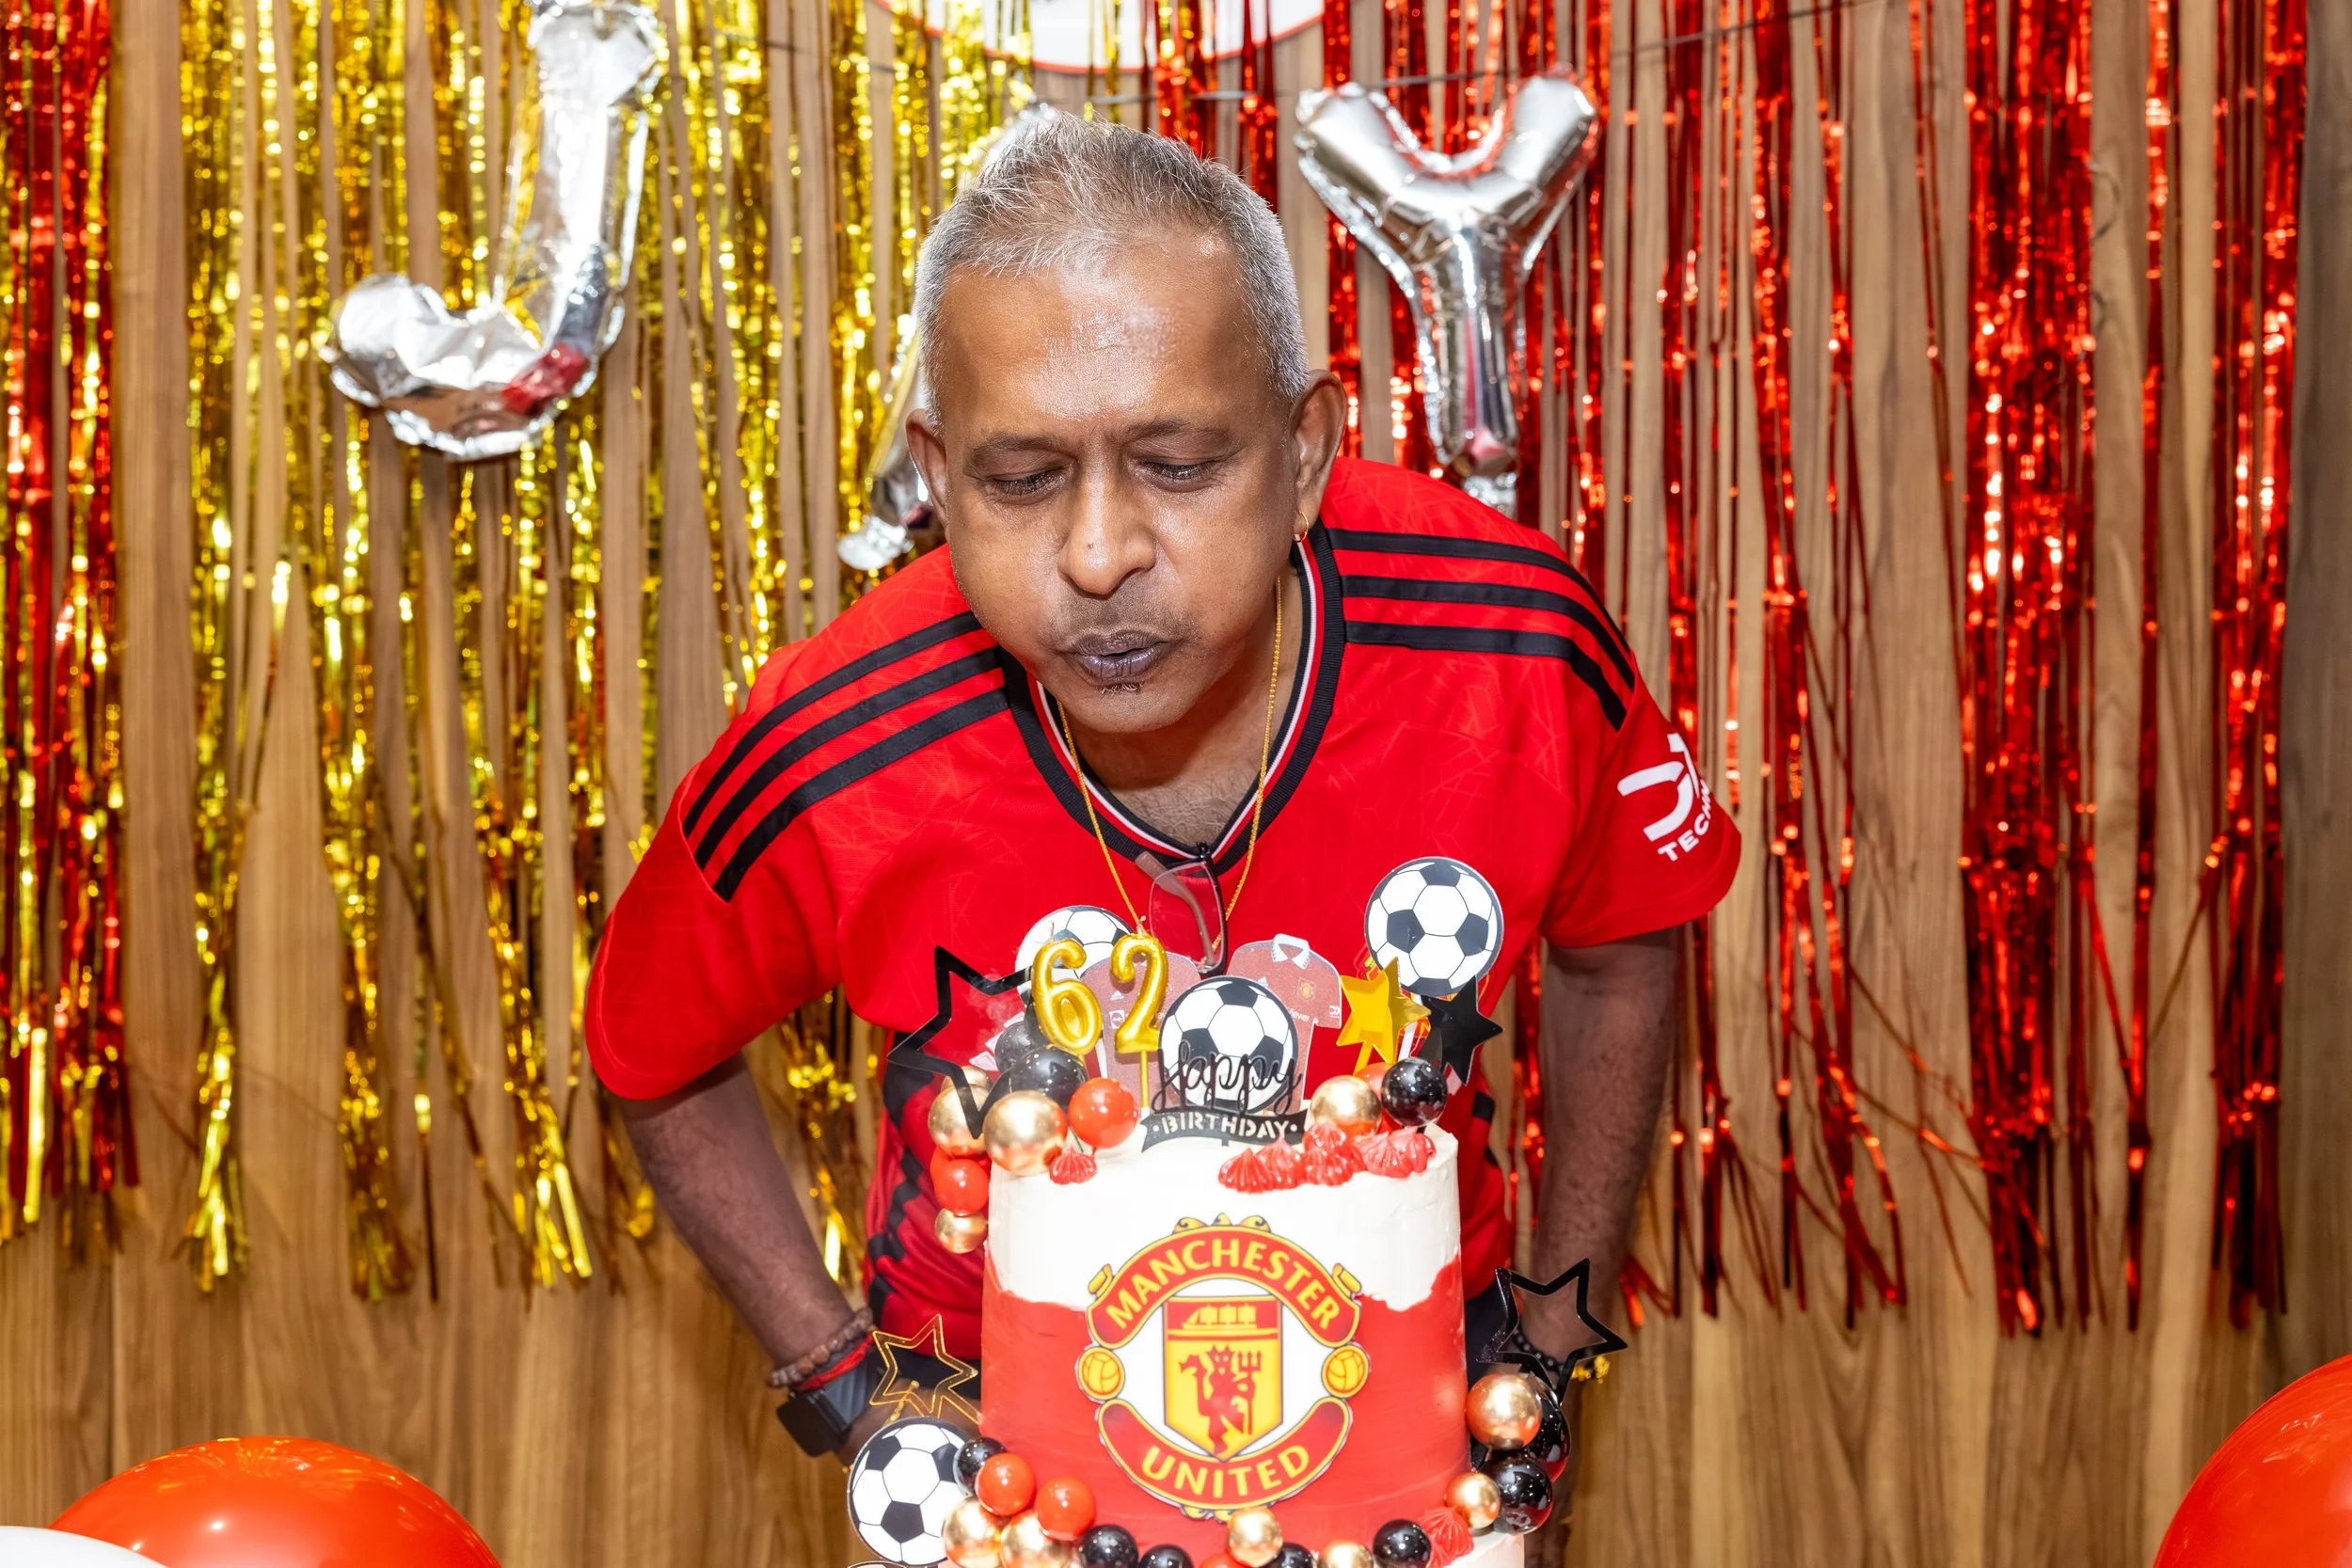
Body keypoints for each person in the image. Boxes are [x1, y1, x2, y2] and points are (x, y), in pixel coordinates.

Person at [584, 110, 1737, 1465]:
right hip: (995, 1462)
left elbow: (1623, 943)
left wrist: (1549, 1337)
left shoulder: (1513, 644)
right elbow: (650, 1055)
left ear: (1305, 454)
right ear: (941, 480)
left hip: (1418, 1422)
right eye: (1022, 480)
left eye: (1179, 467)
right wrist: (844, 1386)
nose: (1098, 554)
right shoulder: (834, 741)